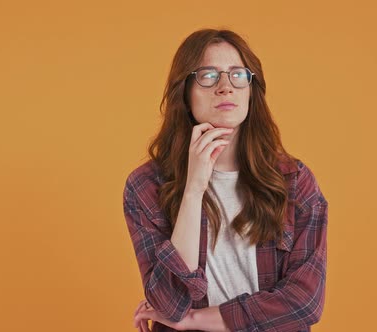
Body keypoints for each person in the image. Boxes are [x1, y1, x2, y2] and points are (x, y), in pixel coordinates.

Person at [123, 28, 329, 332]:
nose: (225, 87)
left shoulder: (294, 182)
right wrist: (193, 190)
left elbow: (304, 301)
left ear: (250, 90)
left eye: (237, 75)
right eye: (208, 75)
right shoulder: (146, 186)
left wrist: (195, 319)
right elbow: (169, 304)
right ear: (185, 92)